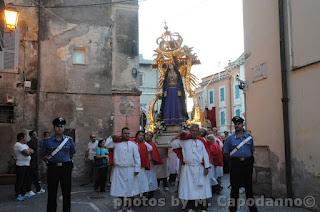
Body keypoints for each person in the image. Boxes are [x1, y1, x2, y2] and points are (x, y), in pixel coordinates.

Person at [171, 124, 212, 212]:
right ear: (190, 131)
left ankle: (203, 206)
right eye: (192, 131)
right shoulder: (183, 141)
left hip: (199, 168)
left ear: (198, 131)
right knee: (189, 188)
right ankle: (191, 206)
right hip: (188, 169)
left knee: (201, 188)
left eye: (196, 130)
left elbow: (205, 154)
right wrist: (179, 135)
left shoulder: (201, 142)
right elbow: (172, 144)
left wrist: (206, 167)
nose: (194, 132)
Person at [224, 116, 258, 212]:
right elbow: (226, 153)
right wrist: (232, 164)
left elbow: (252, 150)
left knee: (249, 187)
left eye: (239, 124)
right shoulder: (229, 139)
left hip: (247, 163)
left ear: (243, 125)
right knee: (234, 188)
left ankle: (252, 209)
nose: (237, 126)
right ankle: (232, 209)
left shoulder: (249, 137)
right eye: (235, 124)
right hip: (235, 164)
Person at [42, 117, 76, 212]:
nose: (59, 128)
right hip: (53, 168)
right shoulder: (47, 141)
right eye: (57, 126)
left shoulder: (69, 140)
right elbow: (43, 154)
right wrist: (50, 161)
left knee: (66, 193)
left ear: (64, 128)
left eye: (61, 126)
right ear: (54, 128)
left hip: (66, 168)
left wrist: (65, 160)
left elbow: (72, 152)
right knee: (52, 193)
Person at [105, 127, 141, 212]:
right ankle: (121, 207)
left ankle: (129, 207)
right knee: (119, 190)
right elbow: (107, 145)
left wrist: (137, 169)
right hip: (119, 169)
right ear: (122, 134)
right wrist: (112, 137)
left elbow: (137, 158)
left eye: (128, 133)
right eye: (125, 133)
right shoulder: (116, 144)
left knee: (130, 189)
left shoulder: (133, 145)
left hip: (130, 169)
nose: (127, 135)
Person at [14, 132, 35, 201]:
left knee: (25, 180)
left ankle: (23, 193)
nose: (27, 138)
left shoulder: (25, 145)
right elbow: (27, 153)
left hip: (26, 165)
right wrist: (29, 151)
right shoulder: (18, 145)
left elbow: (32, 151)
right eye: (25, 137)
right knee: (20, 181)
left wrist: (29, 151)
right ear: (21, 138)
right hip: (20, 165)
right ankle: (18, 194)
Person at [144, 131, 162, 198]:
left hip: (150, 164)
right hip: (143, 165)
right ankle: (144, 194)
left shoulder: (152, 144)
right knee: (144, 180)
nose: (147, 136)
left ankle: (150, 195)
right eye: (146, 135)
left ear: (151, 137)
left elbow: (151, 150)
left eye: (149, 135)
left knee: (151, 180)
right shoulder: (141, 143)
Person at [134, 130, 152, 196]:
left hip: (142, 167)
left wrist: (144, 142)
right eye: (140, 135)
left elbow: (150, 148)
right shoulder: (133, 143)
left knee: (143, 183)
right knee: (135, 183)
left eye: (142, 135)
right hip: (134, 167)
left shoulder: (144, 144)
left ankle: (142, 197)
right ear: (137, 135)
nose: (141, 137)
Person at [27, 130, 45, 194]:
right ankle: (33, 189)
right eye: (34, 134)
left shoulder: (36, 142)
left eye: (36, 134)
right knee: (33, 176)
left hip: (35, 161)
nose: (36, 136)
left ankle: (36, 189)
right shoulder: (30, 143)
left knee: (33, 176)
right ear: (31, 136)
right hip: (31, 162)